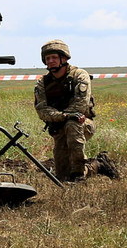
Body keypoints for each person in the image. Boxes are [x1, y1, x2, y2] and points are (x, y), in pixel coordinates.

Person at [34, 39, 99, 182]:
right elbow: (42, 110)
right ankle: (96, 166)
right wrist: (62, 116)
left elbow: (80, 106)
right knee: (62, 176)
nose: (50, 61)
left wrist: (67, 117)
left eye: (54, 58)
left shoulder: (79, 75)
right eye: (47, 58)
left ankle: (79, 175)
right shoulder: (42, 83)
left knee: (73, 123)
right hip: (60, 126)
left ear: (64, 59)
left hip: (83, 124)